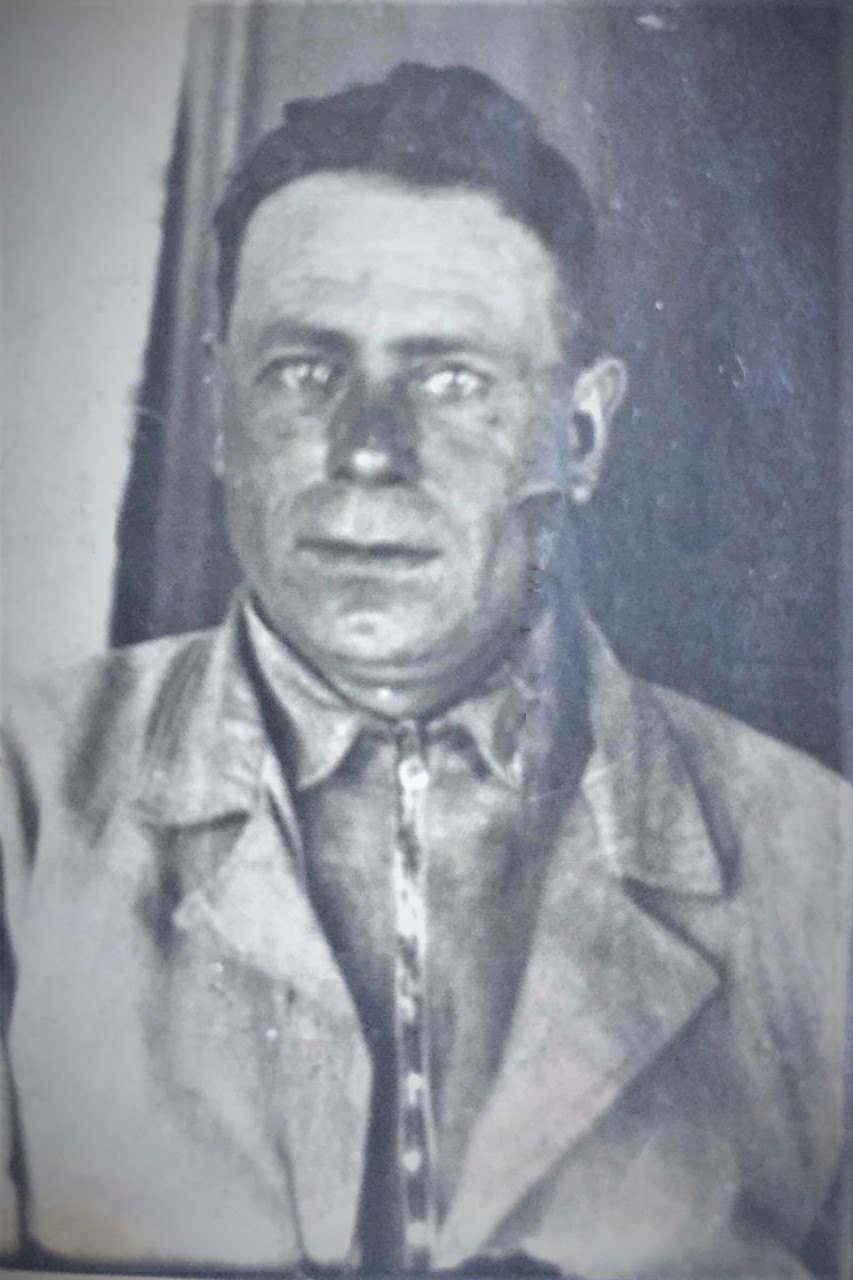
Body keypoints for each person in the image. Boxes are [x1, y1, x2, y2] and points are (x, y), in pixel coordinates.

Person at [0, 63, 848, 1279]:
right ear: (220, 409)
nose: (366, 451)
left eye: (451, 379)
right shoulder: (23, 803)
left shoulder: (820, 867)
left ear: (580, 434)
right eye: (304, 370)